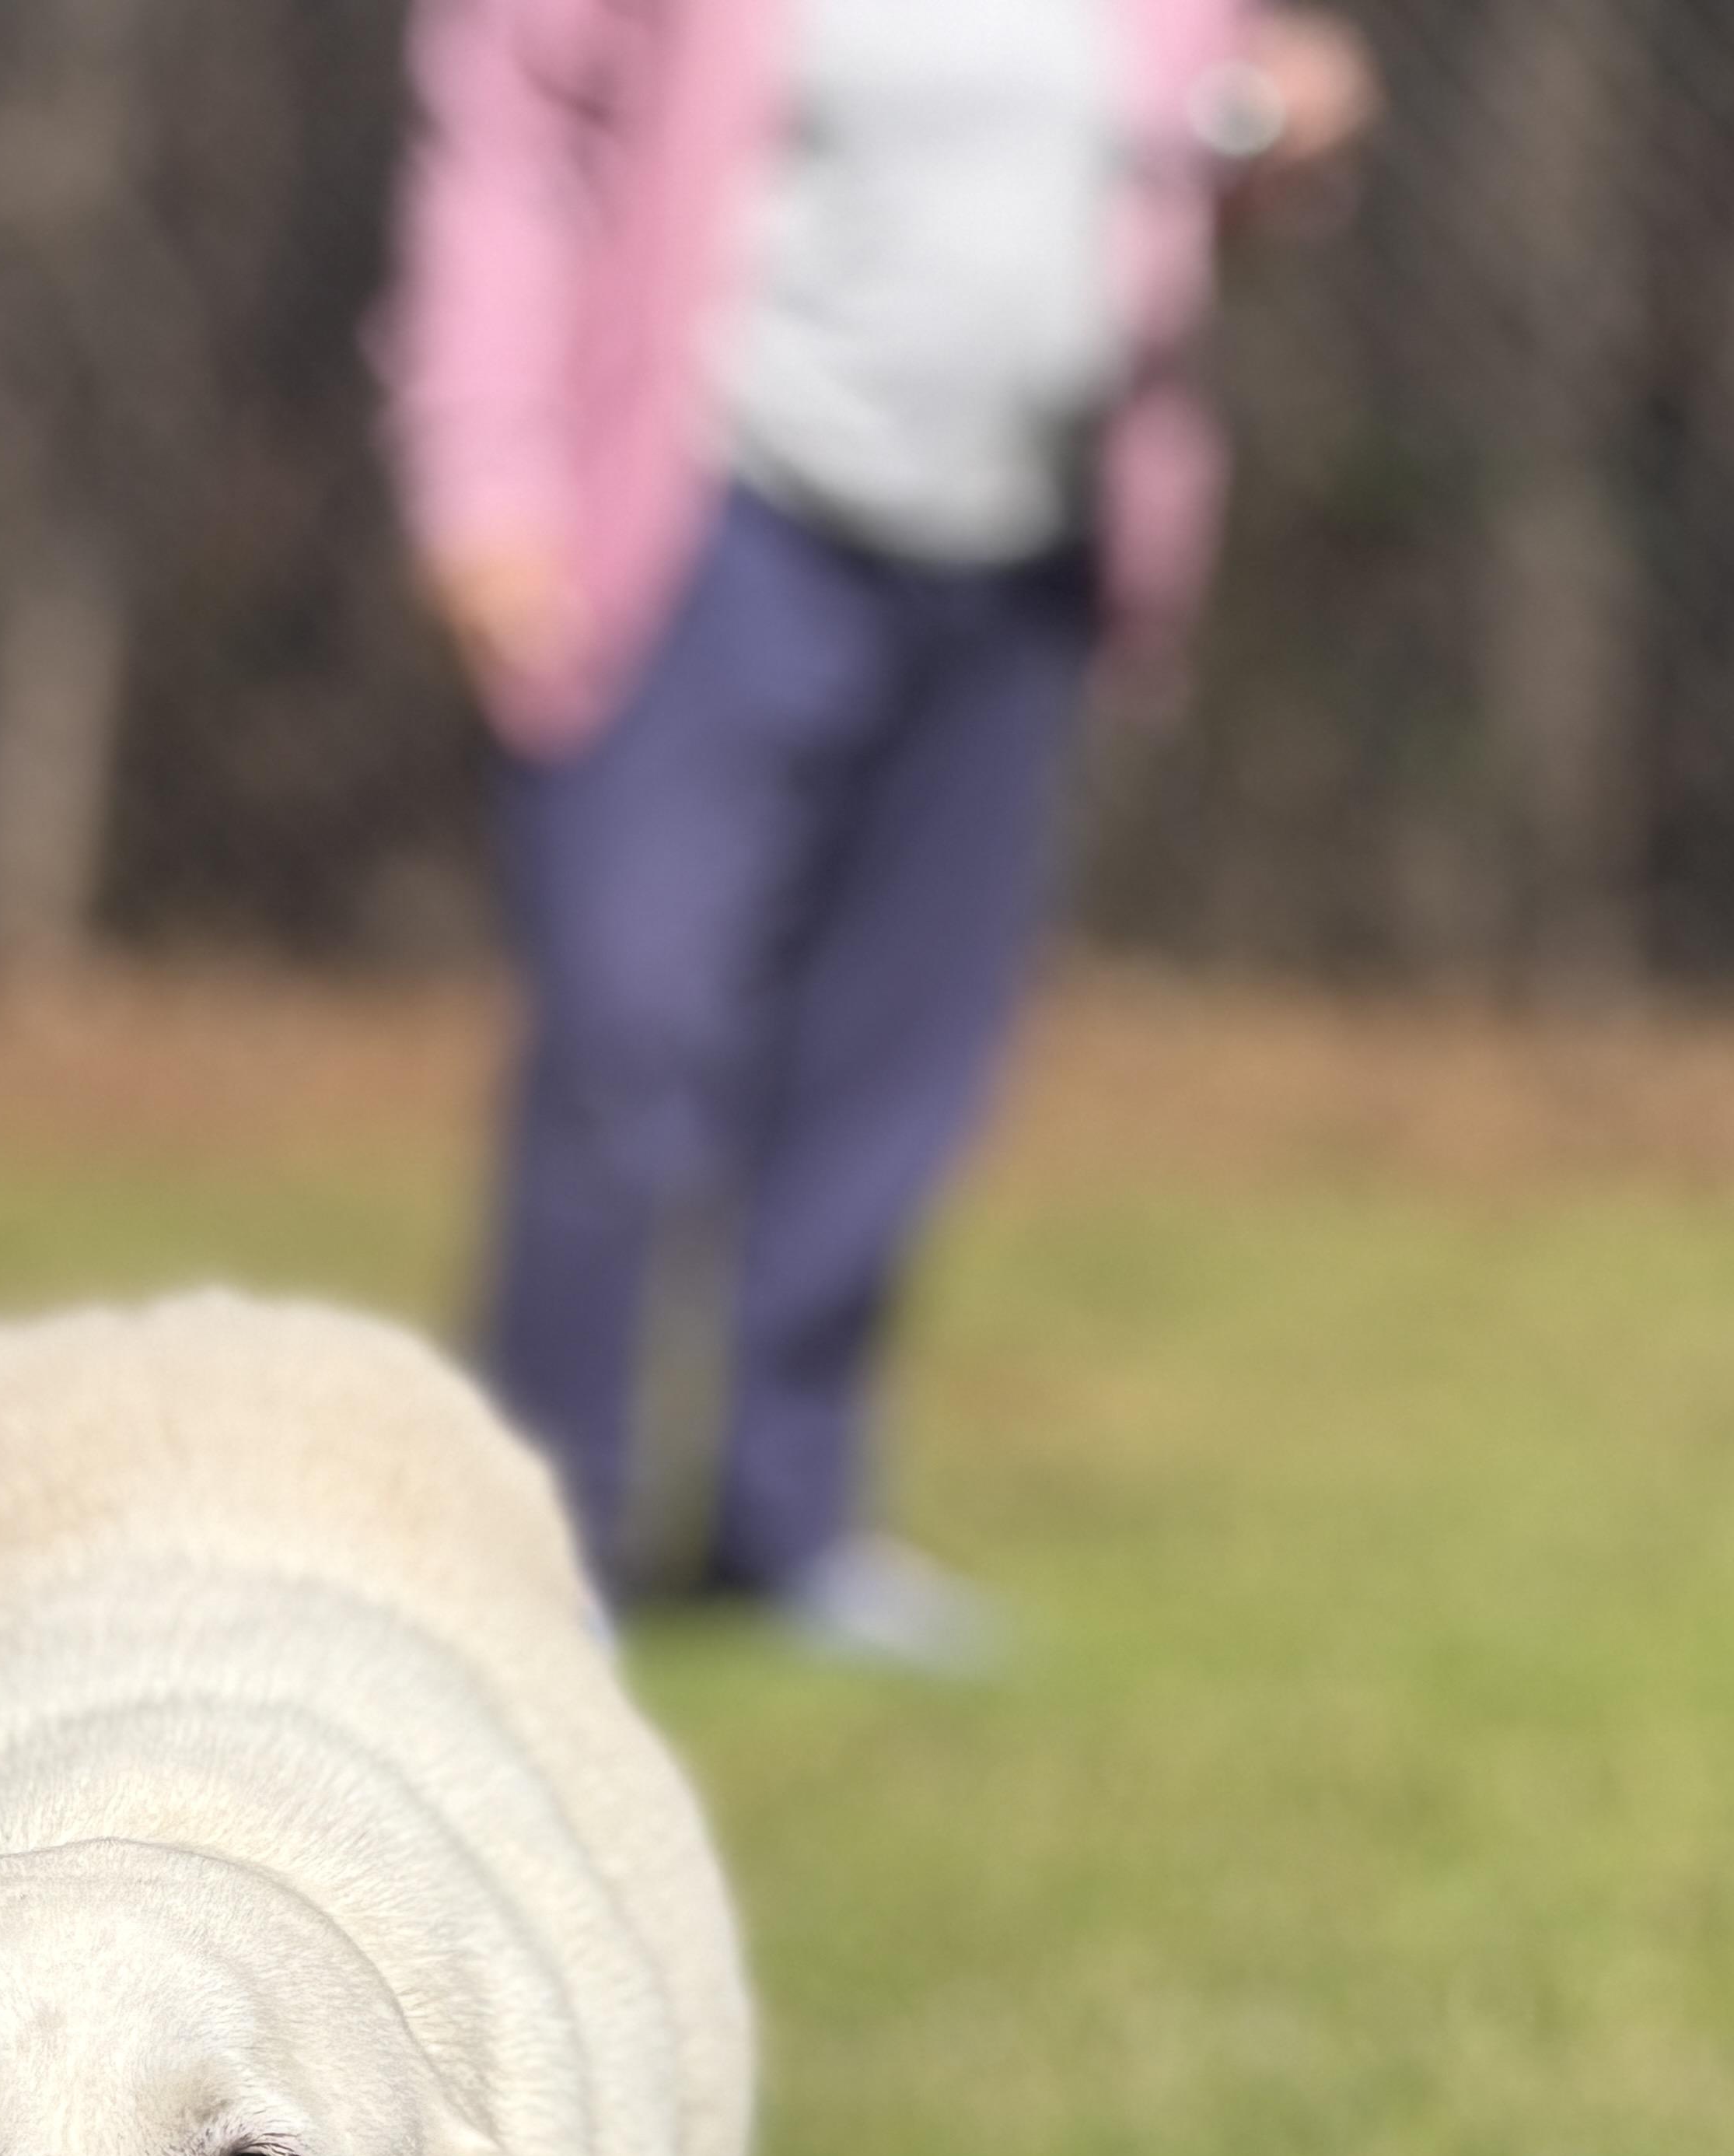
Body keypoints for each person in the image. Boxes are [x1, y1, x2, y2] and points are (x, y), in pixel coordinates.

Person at [383, 0, 1378, 1664]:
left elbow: (1182, 171)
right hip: (714, 521)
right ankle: (540, 1552)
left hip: (1017, 553)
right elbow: (506, 156)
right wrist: (483, 485)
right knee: (634, 1030)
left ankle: (788, 1522)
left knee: (893, 1065)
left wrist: (1280, 122)